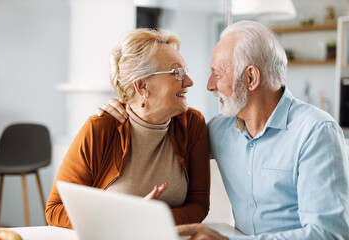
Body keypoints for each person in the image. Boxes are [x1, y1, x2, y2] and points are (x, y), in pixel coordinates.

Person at [99, 20, 349, 239]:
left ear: (251, 78)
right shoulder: (220, 130)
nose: (208, 85)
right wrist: (127, 106)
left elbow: (328, 233)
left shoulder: (316, 133)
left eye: (217, 74)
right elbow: (163, 137)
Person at [46, 28, 210, 229]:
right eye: (177, 72)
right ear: (142, 86)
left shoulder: (193, 124)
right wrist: (124, 219)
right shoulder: (100, 129)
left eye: (185, 71)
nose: (189, 82)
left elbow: (199, 205)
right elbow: (55, 209)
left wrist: (148, 219)